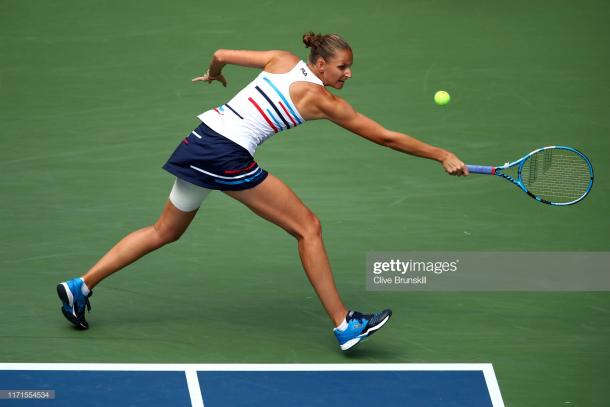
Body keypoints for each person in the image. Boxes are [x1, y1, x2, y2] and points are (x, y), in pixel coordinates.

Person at [57, 32, 468, 351]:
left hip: (201, 139)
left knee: (165, 231)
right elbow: (384, 137)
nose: (348, 74)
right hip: (226, 153)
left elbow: (220, 53)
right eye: (342, 67)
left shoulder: (280, 59)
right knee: (308, 227)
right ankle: (345, 325)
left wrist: (216, 72)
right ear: (320, 64)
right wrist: (441, 154)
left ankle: (81, 286)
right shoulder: (318, 98)